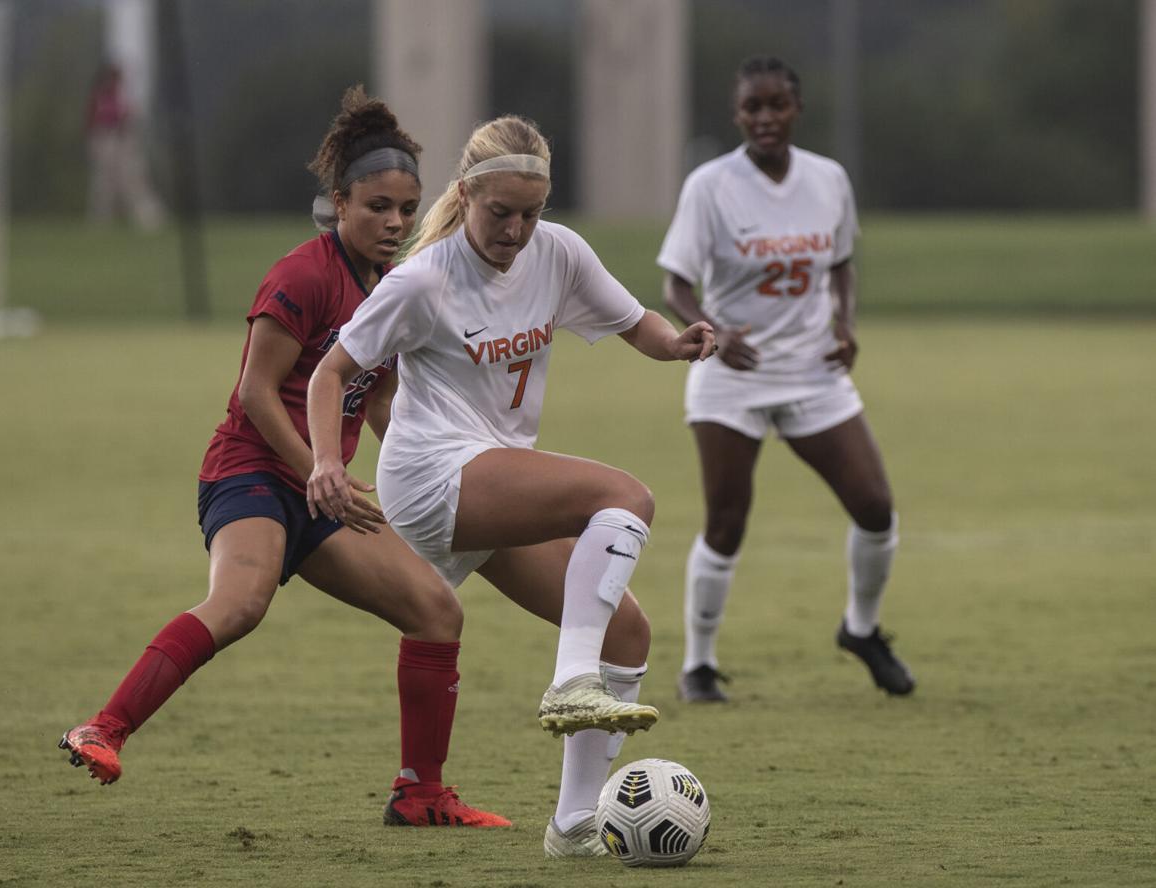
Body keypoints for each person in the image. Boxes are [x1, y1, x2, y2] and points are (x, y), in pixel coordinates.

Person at [60, 86, 509, 829]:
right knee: (241, 603)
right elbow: (256, 393)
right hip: (252, 474)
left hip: (321, 490)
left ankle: (420, 794)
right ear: (338, 203)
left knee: (435, 610)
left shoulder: (401, 289)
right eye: (376, 208)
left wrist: (430, 467)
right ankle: (102, 729)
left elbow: (385, 400)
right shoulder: (302, 275)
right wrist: (318, 468)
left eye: (406, 208)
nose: (395, 222)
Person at [306, 115, 718, 856]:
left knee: (627, 632)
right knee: (624, 496)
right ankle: (570, 679)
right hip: (429, 474)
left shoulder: (557, 253)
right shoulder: (423, 278)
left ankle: (572, 825)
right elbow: (331, 370)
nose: (517, 230)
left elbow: (635, 323)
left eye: (531, 213)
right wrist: (325, 461)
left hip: (488, 478)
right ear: (464, 195)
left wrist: (678, 343)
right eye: (500, 213)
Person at [657, 56, 915, 704]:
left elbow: (841, 263)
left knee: (875, 508)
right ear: (737, 113)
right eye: (752, 107)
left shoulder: (827, 178)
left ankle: (859, 630)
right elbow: (674, 285)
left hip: (811, 372)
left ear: (796, 108)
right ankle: (698, 665)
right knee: (726, 521)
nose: (764, 118)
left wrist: (845, 323)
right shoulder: (710, 186)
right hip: (731, 376)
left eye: (776, 105)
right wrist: (714, 329)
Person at [85, 61, 164, 229]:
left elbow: (129, 118)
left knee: (133, 180)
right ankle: (102, 220)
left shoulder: (122, 95)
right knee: (104, 183)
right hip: (105, 140)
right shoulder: (99, 96)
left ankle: (146, 218)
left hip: (123, 141)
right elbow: (92, 122)